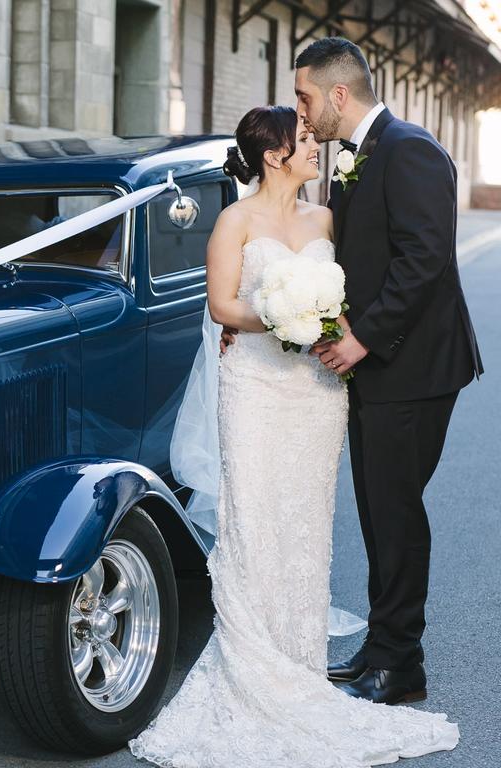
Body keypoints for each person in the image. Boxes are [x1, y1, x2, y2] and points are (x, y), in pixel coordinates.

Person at [128, 104, 459, 768]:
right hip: (255, 388)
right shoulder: (235, 220)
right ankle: (255, 662)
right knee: (255, 520)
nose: (317, 144)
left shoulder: (328, 216)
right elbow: (222, 304)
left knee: (306, 523)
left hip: (315, 395)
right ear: (275, 154)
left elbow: (371, 277)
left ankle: (300, 660)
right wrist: (283, 315)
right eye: (305, 138)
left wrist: (326, 322)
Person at [293, 37, 482, 704]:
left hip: (416, 367)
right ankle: (380, 647)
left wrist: (361, 339)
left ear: (338, 94)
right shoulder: (359, 158)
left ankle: (402, 666)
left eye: (306, 96)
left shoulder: (412, 149)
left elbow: (423, 259)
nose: (302, 109)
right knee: (377, 512)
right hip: (377, 367)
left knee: (396, 513)